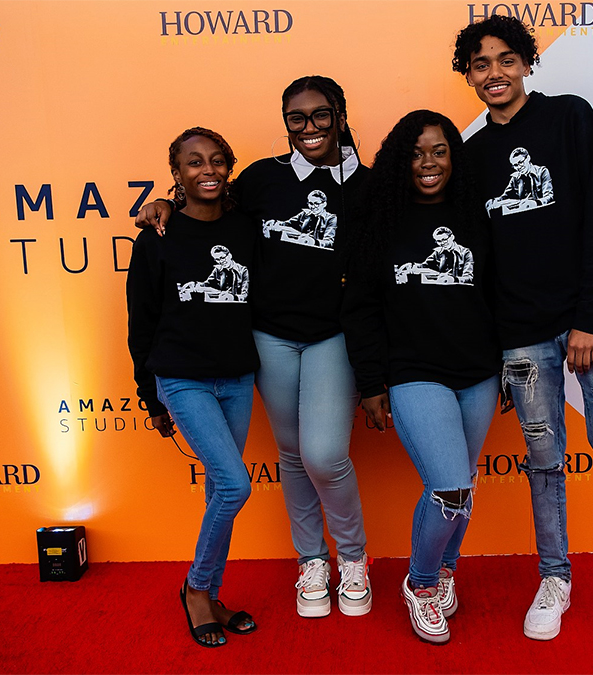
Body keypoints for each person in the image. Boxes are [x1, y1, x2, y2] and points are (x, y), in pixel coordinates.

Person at [452, 15, 593, 650]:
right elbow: (479, 256)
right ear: (468, 74)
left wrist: (588, 317)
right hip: (519, 335)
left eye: (506, 59)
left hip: (590, 322)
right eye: (481, 63)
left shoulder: (570, 116)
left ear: (527, 63)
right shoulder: (473, 154)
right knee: (544, 461)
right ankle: (554, 577)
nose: (494, 73)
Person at [135, 76, 372, 618]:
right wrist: (162, 206)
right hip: (267, 339)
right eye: (296, 117)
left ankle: (353, 559)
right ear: (285, 122)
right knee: (290, 456)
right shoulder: (262, 180)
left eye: (320, 115)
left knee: (325, 454)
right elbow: (204, 207)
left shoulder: (366, 186)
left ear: (339, 115)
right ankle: (311, 561)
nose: (308, 127)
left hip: (332, 336)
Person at [342, 110, 500, 644]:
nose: (428, 163)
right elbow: (360, 308)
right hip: (413, 373)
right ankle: (423, 583)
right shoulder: (381, 220)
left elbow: (497, 294)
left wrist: (503, 368)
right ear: (398, 161)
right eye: (415, 153)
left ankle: (447, 567)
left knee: (466, 487)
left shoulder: (477, 214)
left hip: (477, 372)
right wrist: (370, 384)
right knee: (450, 489)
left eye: (439, 151)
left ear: (454, 157)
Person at [127, 127, 259, 647]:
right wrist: (149, 394)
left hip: (238, 376)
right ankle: (197, 589)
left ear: (229, 167)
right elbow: (142, 322)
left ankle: (212, 592)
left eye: (217, 161)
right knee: (234, 486)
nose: (208, 170)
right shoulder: (157, 236)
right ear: (176, 174)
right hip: (182, 377)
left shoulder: (246, 228)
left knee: (216, 493)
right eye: (194, 162)